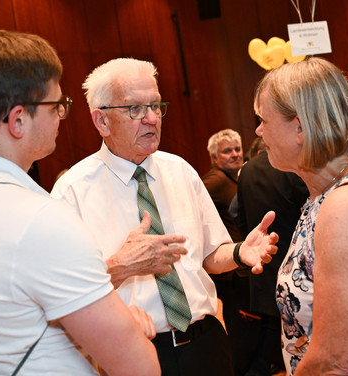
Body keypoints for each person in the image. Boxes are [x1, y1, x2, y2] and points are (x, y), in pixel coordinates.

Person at [0, 30, 159, 375]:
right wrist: (124, 325)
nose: (61, 114)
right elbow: (139, 366)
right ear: (17, 121)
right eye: (56, 105)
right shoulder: (39, 220)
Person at [51, 57, 279, 376]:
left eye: (156, 106)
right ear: (101, 121)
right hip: (134, 355)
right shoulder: (72, 192)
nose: (152, 119)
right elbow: (61, 295)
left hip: (206, 344)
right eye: (135, 109)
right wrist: (120, 265)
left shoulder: (180, 170)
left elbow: (210, 255)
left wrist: (241, 252)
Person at [254, 57, 348, 375]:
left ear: (299, 127)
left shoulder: (347, 206)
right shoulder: (325, 196)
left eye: (263, 120)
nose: (257, 130)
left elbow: (333, 361)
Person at [236, 147, 309, 376]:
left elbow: (240, 217)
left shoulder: (246, 171)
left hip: (260, 262)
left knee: (270, 335)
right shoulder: (293, 167)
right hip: (293, 267)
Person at [202, 129, 249, 375]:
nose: (234, 155)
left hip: (236, 267)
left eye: (237, 149)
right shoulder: (216, 180)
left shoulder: (233, 178)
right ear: (214, 157)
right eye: (227, 151)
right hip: (227, 272)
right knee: (237, 331)